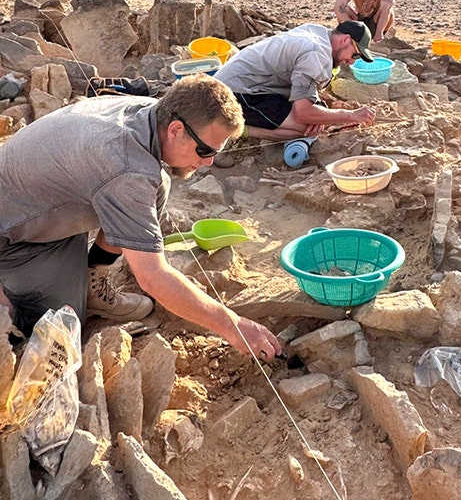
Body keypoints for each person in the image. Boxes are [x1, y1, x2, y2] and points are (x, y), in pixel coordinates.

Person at [0, 75, 282, 359]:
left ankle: (93, 276)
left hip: (43, 208)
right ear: (175, 129)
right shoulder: (127, 169)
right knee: (60, 325)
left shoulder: (149, 112)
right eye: (205, 150)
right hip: (11, 237)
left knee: (159, 182)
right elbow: (152, 276)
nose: (208, 162)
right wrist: (233, 326)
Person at [213, 20, 379, 142]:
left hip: (246, 83)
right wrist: (351, 116)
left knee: (317, 117)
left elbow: (304, 87)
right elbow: (303, 113)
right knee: (305, 129)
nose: (352, 62)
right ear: (344, 39)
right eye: (355, 54)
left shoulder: (317, 32)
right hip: (234, 93)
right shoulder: (316, 53)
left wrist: (318, 111)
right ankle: (236, 129)